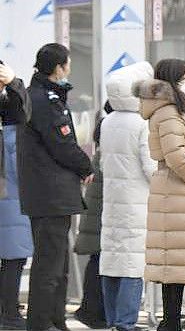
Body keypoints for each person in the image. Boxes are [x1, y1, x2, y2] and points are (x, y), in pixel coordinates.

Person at [18, 43, 95, 331]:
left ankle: (54, 320)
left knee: (57, 264)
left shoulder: (41, 96)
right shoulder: (45, 100)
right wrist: (85, 167)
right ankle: (41, 324)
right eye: (67, 63)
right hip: (51, 193)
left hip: (49, 193)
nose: (70, 68)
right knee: (49, 265)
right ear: (58, 67)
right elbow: (62, 144)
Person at [134, 59, 185, 331]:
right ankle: (171, 322)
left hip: (173, 190)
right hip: (175, 189)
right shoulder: (167, 113)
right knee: (174, 260)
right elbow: (175, 156)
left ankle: (171, 321)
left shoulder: (170, 110)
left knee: (175, 261)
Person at [100, 62, 157, 331]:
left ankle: (113, 320)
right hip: (138, 203)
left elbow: (102, 164)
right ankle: (126, 323)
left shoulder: (107, 122)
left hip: (112, 202)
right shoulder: (141, 124)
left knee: (112, 260)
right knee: (133, 265)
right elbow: (150, 168)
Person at [73, 102, 112, 329]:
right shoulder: (114, 126)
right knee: (100, 260)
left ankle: (91, 310)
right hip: (104, 208)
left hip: (98, 206)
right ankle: (92, 311)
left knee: (98, 259)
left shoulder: (105, 126)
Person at [0, 61, 32, 330]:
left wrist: (15, 85)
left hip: (9, 199)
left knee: (12, 258)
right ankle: (9, 315)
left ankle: (8, 312)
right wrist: (15, 84)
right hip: (10, 199)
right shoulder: (11, 129)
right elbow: (25, 110)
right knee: (12, 258)